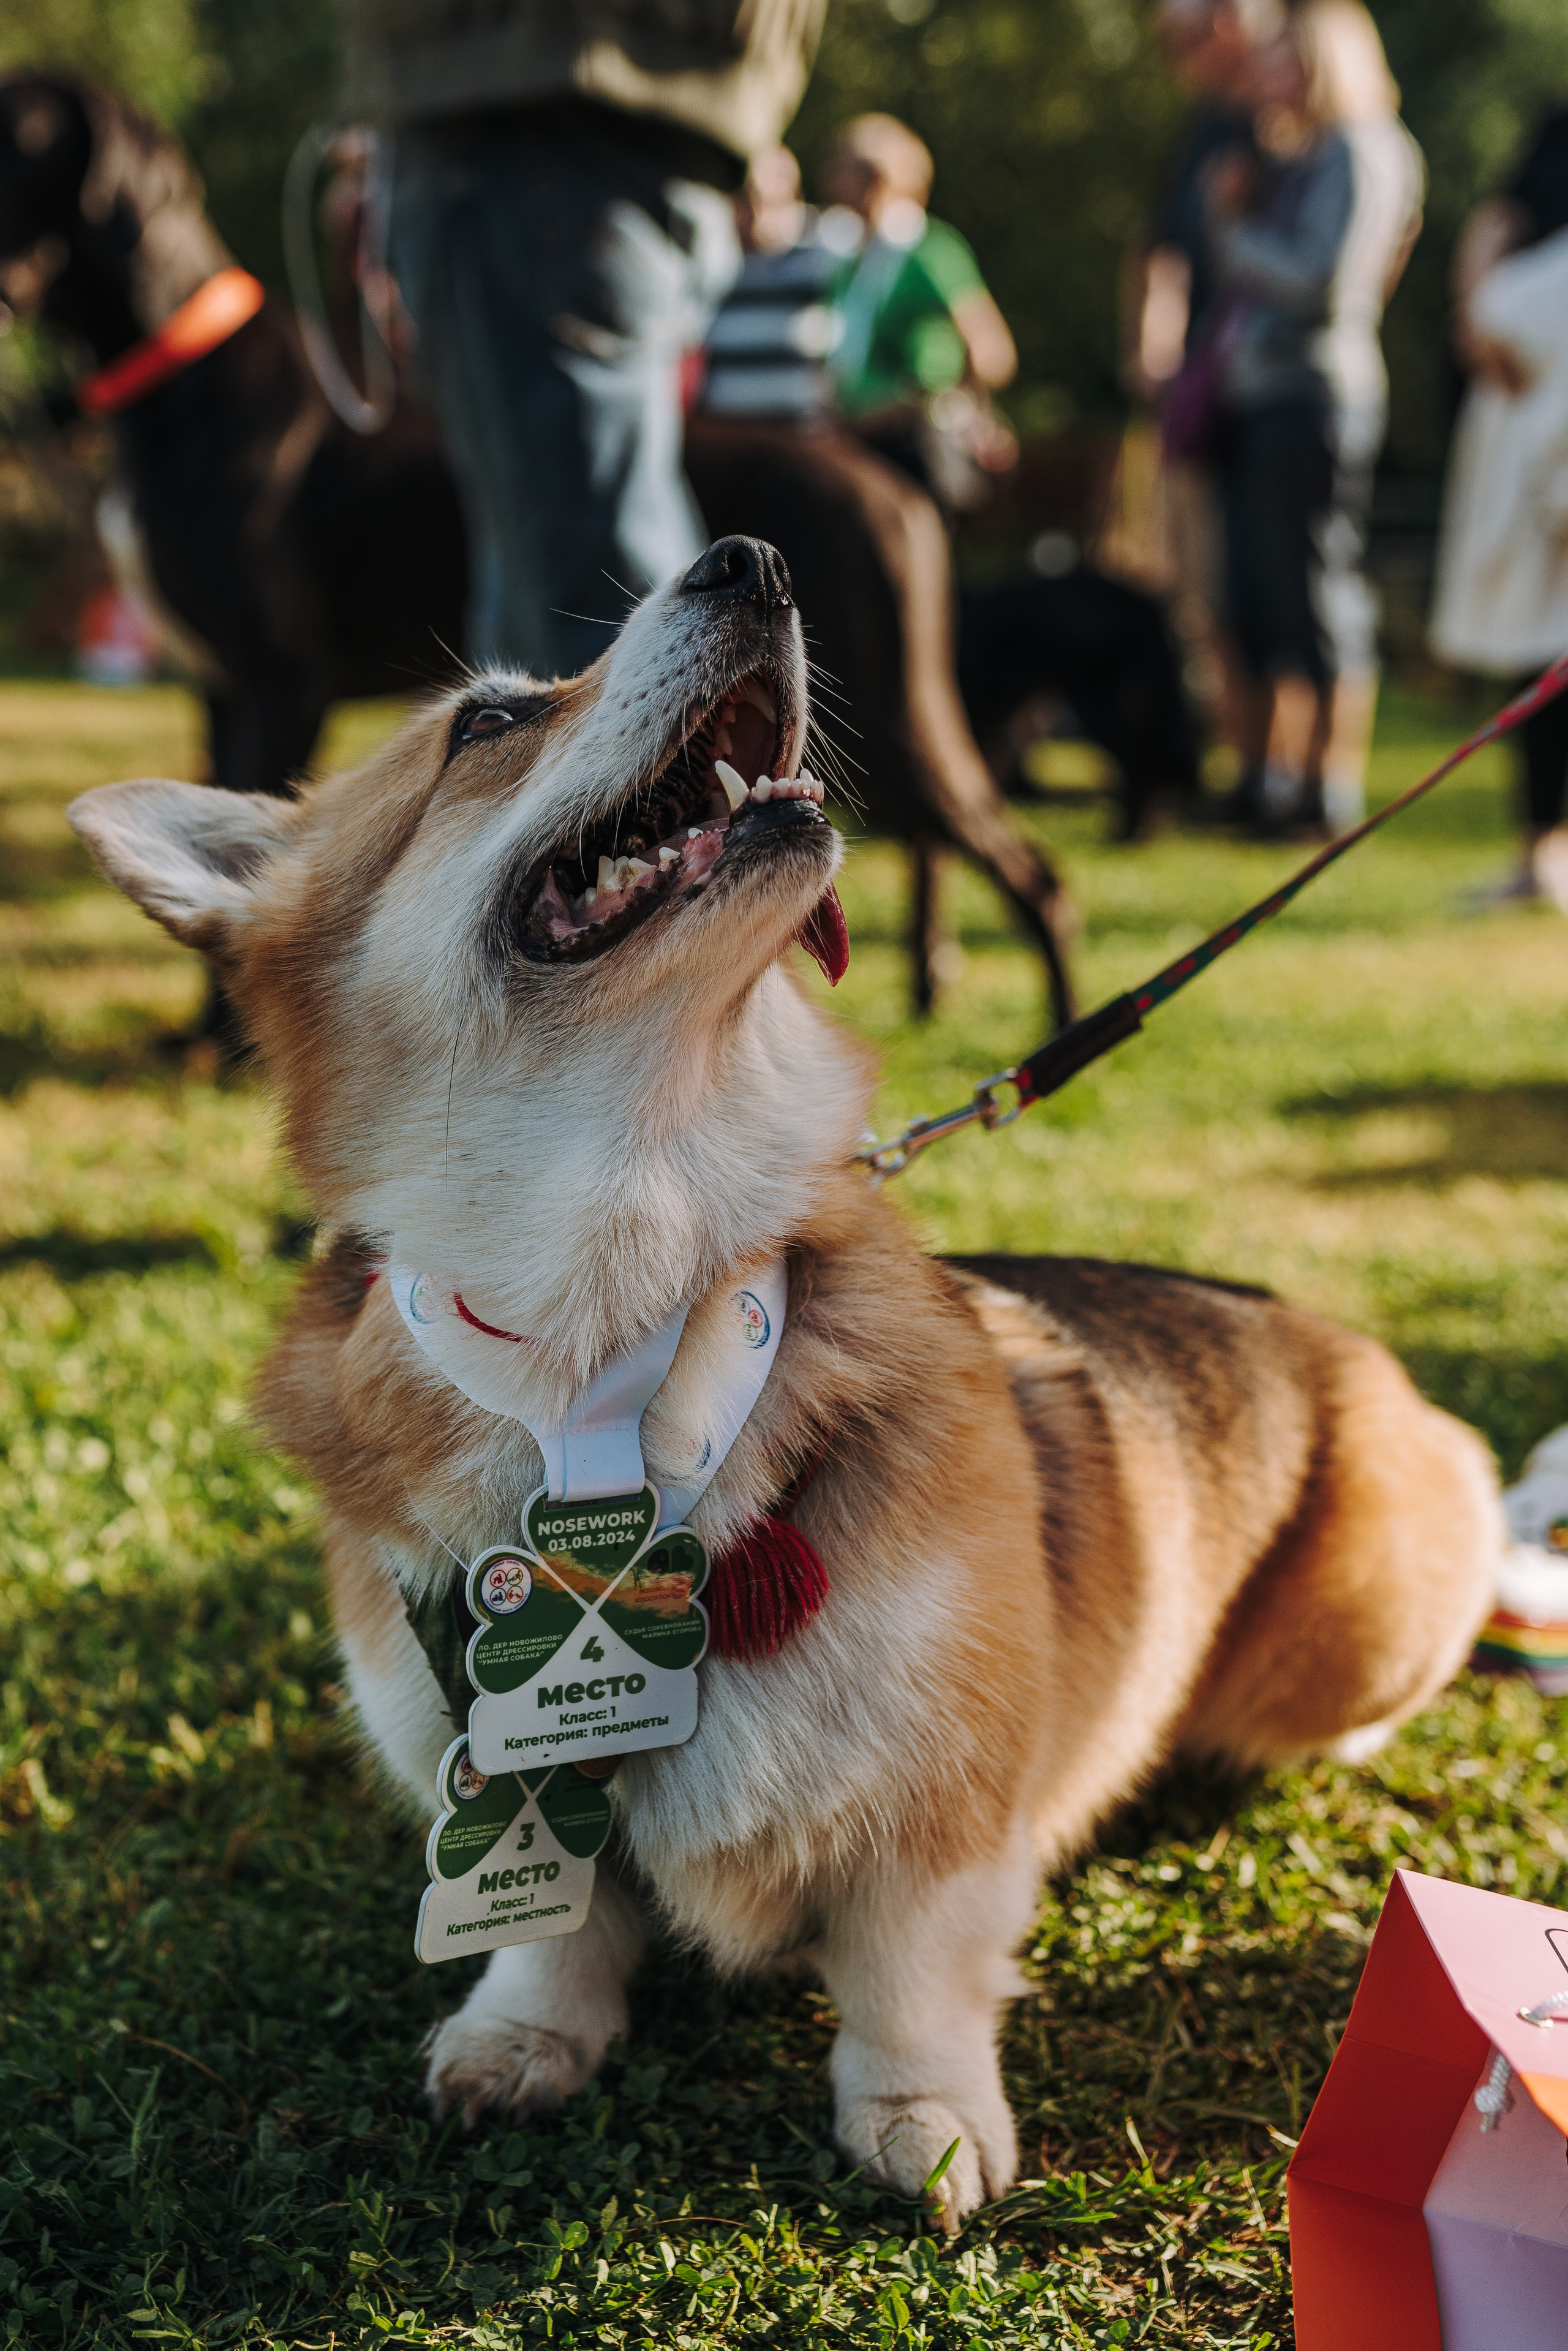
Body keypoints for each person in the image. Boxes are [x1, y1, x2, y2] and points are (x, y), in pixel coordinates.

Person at [338, 1, 827, 677]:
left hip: (530, 111)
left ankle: (675, 783)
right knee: (595, 597)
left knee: (593, 631)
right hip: (654, 116)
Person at [1203, 0, 1423, 834]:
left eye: (1284, 60)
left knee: (1319, 593)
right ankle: (1280, 780)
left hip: (1316, 398)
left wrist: (1232, 232)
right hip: (1264, 402)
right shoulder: (1305, 156)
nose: (1266, 75)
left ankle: (1334, 790)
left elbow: (1324, 286)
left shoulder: (1366, 151)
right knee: (1268, 597)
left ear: (1324, 61)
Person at [1126, 0, 1281, 757]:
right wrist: (1153, 339)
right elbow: (1161, 246)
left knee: (1264, 589)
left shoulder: (1280, 123)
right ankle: (1240, 761)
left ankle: (1279, 769)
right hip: (1198, 393)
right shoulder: (1203, 135)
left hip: (1261, 384)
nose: (1173, 57)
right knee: (1205, 589)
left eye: (1182, 40)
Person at [1430, 107, 1568, 911]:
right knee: (1542, 653)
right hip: (1536, 426)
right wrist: (1480, 320)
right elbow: (1495, 223)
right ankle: (1541, 846)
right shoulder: (1553, 131)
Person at [820, 113, 1018, 515]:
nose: (830, 182)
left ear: (875, 179)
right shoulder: (854, 260)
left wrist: (943, 403)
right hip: (860, 445)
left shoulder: (930, 252)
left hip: (913, 449)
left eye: (842, 170)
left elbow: (992, 353)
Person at [698, 145, 842, 423]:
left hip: (801, 431)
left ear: (797, 199)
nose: (759, 218)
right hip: (720, 432)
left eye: (772, 203)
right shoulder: (713, 262)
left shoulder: (825, 254)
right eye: (746, 202)